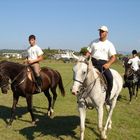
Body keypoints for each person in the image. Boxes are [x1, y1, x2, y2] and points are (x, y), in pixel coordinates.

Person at [86, 25, 117, 105]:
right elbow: (88, 52)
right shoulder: (94, 42)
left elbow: (113, 57)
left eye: (102, 31)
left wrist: (108, 64)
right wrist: (85, 57)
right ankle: (81, 96)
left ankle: (107, 97)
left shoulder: (110, 44)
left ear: (106, 33)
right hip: (92, 63)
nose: (100, 33)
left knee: (110, 78)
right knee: (81, 75)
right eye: (100, 31)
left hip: (103, 64)